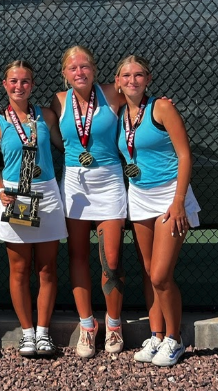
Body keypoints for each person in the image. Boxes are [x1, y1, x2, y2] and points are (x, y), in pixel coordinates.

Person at [115, 55, 200, 366]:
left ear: (148, 79)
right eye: (126, 75)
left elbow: (185, 155)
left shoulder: (162, 107)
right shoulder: (120, 112)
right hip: (138, 197)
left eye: (139, 75)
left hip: (169, 196)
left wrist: (178, 201)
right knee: (150, 274)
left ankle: (175, 340)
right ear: (118, 82)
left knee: (162, 275)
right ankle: (157, 336)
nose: (133, 80)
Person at [50, 45, 127, 358]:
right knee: (78, 256)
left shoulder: (112, 93)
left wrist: (162, 104)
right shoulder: (57, 101)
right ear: (65, 74)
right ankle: (87, 326)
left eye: (84, 66)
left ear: (94, 69)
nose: (79, 72)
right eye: (72, 68)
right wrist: (68, 149)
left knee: (112, 259)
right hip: (74, 185)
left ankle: (114, 324)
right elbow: (51, 133)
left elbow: (141, 101)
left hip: (109, 183)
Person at [0, 61, 67, 356]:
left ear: (32, 85)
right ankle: (27, 333)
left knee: (46, 269)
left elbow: (65, 145)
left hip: (45, 193)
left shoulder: (45, 116)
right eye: (13, 81)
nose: (19, 86)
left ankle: (44, 332)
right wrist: (0, 191)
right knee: (19, 270)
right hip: (15, 196)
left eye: (25, 81)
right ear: (4, 85)